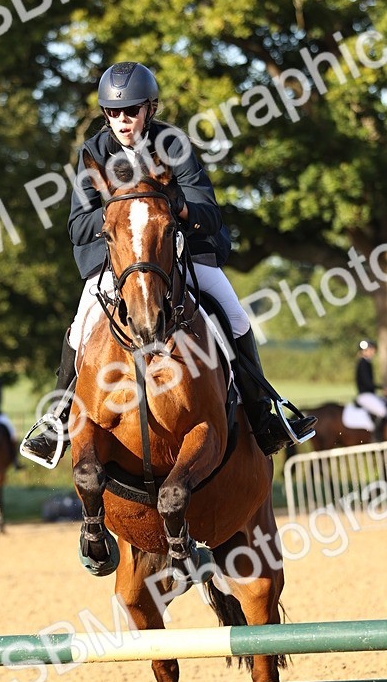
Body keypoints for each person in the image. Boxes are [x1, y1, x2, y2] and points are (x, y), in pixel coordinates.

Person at [21, 60, 315, 465]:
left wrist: (172, 207)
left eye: (131, 110)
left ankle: (265, 414)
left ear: (150, 108)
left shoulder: (173, 145)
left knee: (236, 316)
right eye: (113, 112)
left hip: (180, 252)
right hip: (118, 260)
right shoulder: (92, 152)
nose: (122, 120)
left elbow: (208, 212)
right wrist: (121, 215)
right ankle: (56, 421)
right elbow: (77, 225)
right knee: (81, 325)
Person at [355, 339, 387, 442]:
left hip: (369, 394)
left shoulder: (367, 362)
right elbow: (368, 383)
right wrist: (383, 388)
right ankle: (376, 436)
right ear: (364, 351)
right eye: (370, 349)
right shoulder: (363, 363)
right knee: (383, 411)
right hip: (365, 395)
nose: (373, 351)